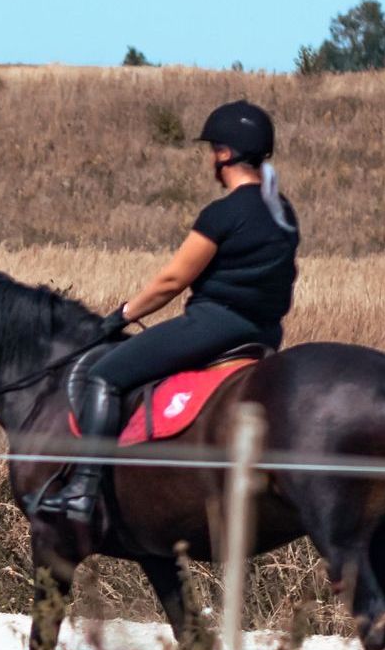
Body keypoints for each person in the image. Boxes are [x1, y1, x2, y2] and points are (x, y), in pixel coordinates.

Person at [36, 99, 299, 524]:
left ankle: (83, 491)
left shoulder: (223, 214)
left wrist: (121, 315)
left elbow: (171, 282)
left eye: (213, 149)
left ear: (225, 154)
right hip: (266, 332)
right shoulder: (281, 210)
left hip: (213, 327)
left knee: (102, 374)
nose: (211, 158)